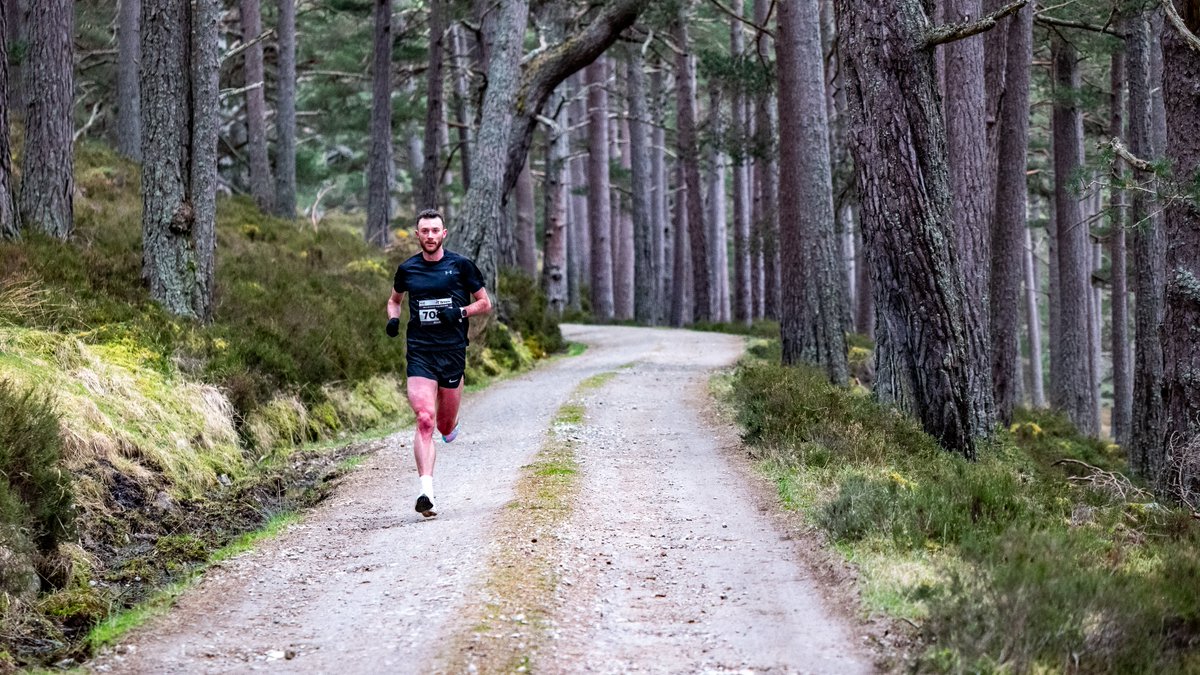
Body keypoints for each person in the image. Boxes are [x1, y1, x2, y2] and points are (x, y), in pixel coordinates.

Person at [385, 209, 491, 517]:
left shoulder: (460, 266)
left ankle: (452, 424)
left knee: (444, 425)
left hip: (453, 351)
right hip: (420, 352)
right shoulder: (408, 269)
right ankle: (426, 494)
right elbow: (395, 300)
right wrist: (393, 320)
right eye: (424, 231)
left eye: (435, 230)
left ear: (443, 234)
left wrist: (459, 313)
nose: (430, 236)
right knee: (424, 419)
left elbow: (485, 303)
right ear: (417, 235)